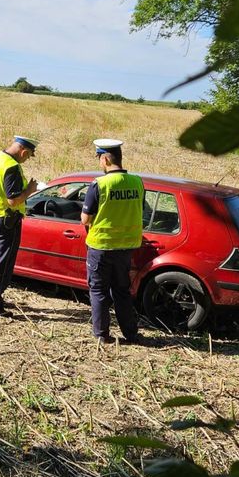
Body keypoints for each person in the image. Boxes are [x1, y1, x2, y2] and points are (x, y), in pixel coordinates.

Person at [81, 139, 144, 344]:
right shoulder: (137, 182)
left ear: (105, 159)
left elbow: (85, 218)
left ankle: (102, 334)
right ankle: (131, 333)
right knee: (122, 291)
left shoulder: (99, 184)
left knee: (98, 291)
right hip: (126, 248)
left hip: (101, 246)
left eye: (99, 158)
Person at [0, 135, 38, 317]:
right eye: (28, 156)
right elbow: (13, 200)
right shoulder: (11, 167)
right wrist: (29, 190)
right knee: (3, 263)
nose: (26, 159)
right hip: (7, 220)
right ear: (23, 151)